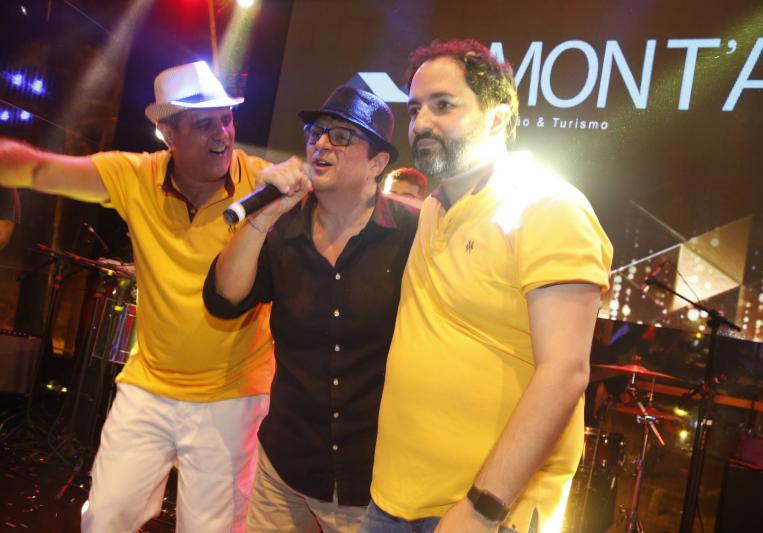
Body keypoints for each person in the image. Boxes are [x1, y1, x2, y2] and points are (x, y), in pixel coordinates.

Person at [0, 61, 274, 532]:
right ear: (168, 133)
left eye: (226, 119)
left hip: (232, 395)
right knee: (104, 517)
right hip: (149, 386)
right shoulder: (136, 176)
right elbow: (38, 168)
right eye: (204, 124)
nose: (223, 134)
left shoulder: (261, 182)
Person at [365, 39, 613, 533]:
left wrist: (483, 507)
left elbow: (565, 372)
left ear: (497, 119)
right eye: (414, 109)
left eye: (443, 105)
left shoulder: (547, 207)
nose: (421, 123)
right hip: (392, 502)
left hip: (487, 513)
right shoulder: (434, 207)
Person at [204, 85, 419, 532]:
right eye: (315, 133)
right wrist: (262, 216)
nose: (321, 144)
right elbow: (224, 300)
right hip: (285, 467)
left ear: (377, 163)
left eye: (340, 136)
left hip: (370, 481)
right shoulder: (283, 228)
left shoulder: (411, 233)